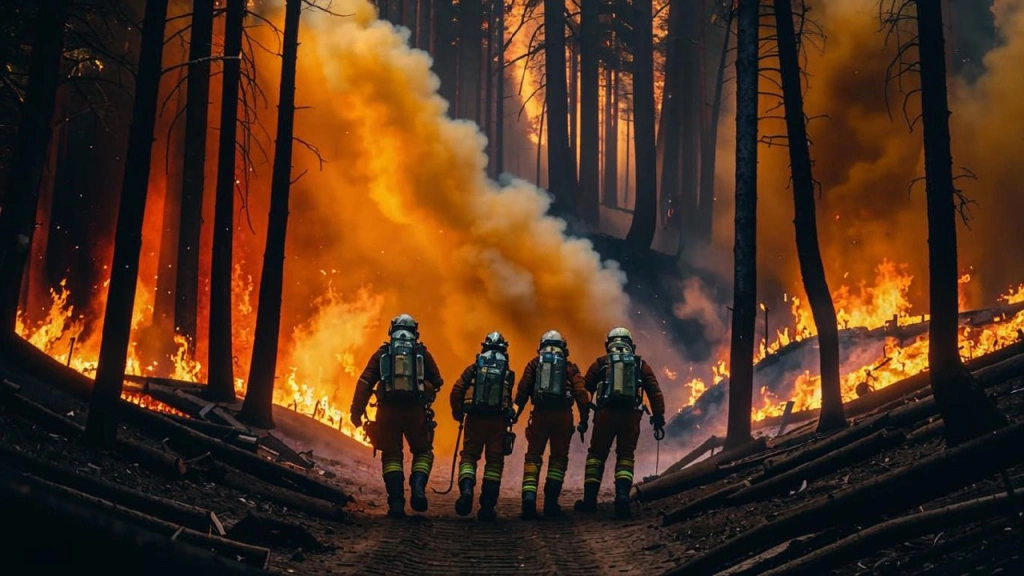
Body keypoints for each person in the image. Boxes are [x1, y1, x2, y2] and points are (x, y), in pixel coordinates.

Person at [350, 314, 444, 518]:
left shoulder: (383, 352)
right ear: (415, 331)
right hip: (415, 412)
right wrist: (423, 388)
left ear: (391, 330)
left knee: (391, 456)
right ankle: (418, 486)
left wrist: (356, 411)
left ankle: (396, 503)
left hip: (387, 412)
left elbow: (365, 381)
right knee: (423, 451)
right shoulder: (421, 352)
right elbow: (438, 381)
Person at [575, 327, 665, 519]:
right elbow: (655, 392)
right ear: (630, 344)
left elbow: (583, 391)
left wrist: (584, 416)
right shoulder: (640, 364)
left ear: (608, 344)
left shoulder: (601, 363)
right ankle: (622, 496)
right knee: (625, 456)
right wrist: (659, 418)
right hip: (631, 416)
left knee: (596, 456)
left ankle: (589, 501)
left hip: (604, 415)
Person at [513, 330, 590, 519]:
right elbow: (581, 394)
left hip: (539, 416)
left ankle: (529, 499)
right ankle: (550, 503)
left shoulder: (534, 364)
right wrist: (584, 418)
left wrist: (514, 415)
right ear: (564, 347)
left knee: (533, 457)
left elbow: (522, 391)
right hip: (563, 417)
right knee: (558, 460)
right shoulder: (570, 367)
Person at [449, 331, 517, 521]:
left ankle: (467, 490)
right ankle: (487, 506)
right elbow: (509, 400)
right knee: (494, 464)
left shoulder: (474, 368)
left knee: (469, 457)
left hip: (474, 420)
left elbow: (457, 390)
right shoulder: (508, 373)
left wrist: (457, 412)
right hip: (497, 423)